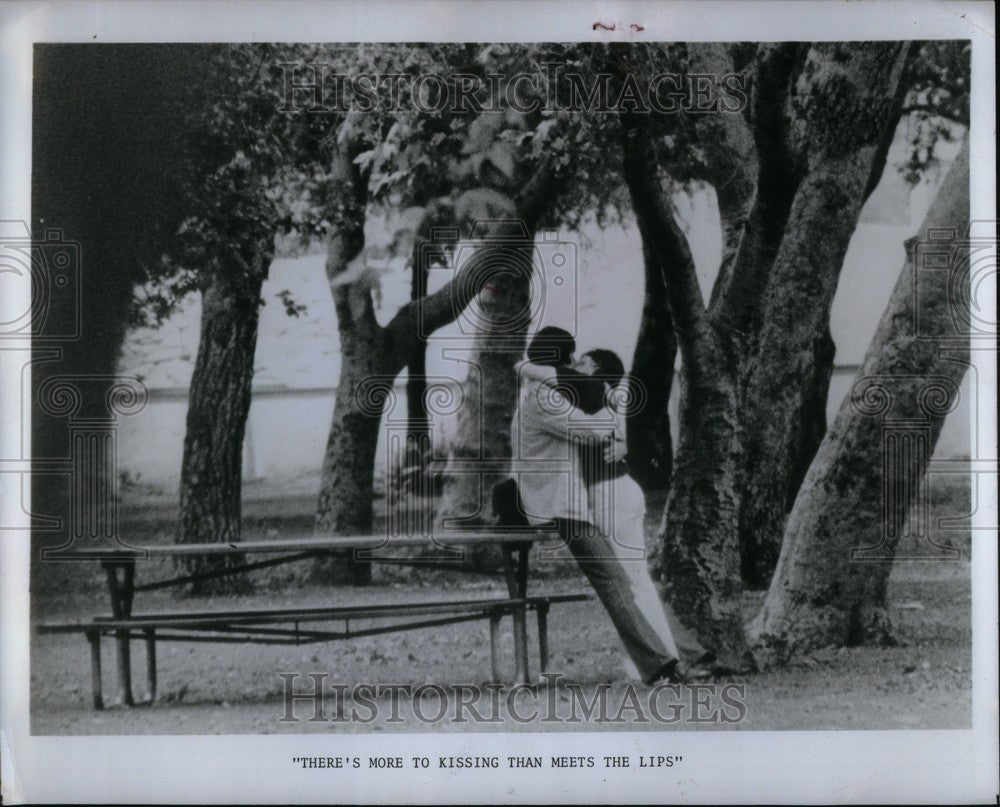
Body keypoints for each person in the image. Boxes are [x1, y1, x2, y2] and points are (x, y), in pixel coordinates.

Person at [517, 343, 712, 680]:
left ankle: (670, 660)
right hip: (618, 492)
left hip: (610, 496)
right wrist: (622, 440)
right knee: (634, 581)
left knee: (632, 583)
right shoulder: (590, 396)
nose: (575, 364)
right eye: (571, 360)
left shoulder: (586, 393)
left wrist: (524, 366)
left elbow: (540, 373)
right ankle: (685, 653)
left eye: (584, 361)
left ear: (595, 371)